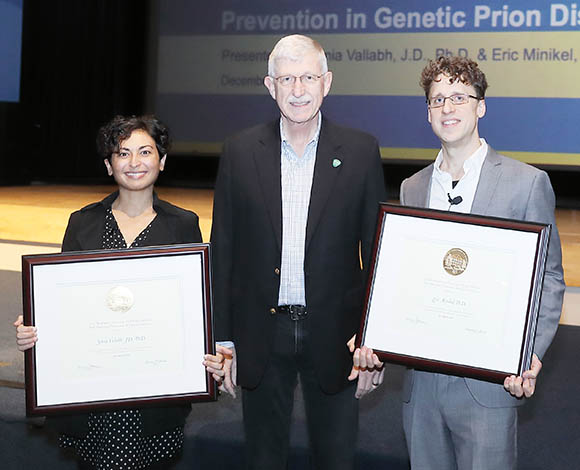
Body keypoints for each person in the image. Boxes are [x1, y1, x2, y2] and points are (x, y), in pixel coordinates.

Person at [355, 56, 565, 469]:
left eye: (458, 97)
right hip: (422, 386)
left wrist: (529, 352)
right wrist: (374, 334)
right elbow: (404, 278)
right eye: (437, 100)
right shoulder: (412, 187)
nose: (447, 108)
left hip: (488, 385)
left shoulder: (527, 183)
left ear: (480, 106)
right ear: (428, 112)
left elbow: (551, 277)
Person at [202, 34, 386, 469]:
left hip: (336, 334)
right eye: (287, 78)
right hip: (262, 332)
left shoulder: (360, 152)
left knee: (336, 458)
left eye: (308, 77)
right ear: (270, 85)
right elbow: (223, 248)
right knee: (263, 458)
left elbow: (377, 254)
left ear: (327, 82)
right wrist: (223, 340)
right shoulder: (240, 150)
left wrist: (373, 338)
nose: (298, 89)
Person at [14, 114, 202, 470]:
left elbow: (191, 308)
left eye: (145, 151)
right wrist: (35, 325)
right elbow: (61, 301)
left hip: (153, 387)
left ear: (161, 161)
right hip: (95, 387)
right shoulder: (82, 222)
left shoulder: (183, 224)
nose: (134, 163)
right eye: (122, 153)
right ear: (108, 164)